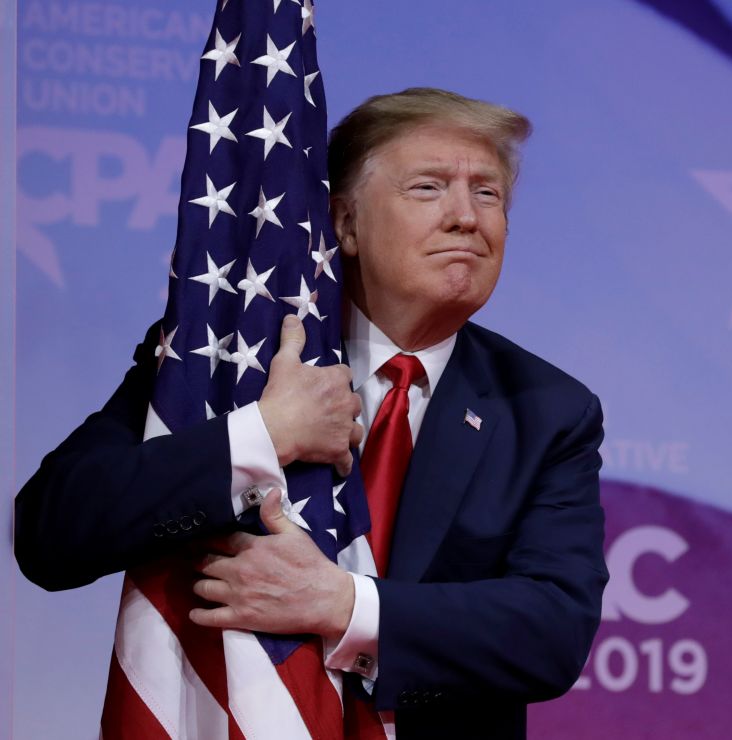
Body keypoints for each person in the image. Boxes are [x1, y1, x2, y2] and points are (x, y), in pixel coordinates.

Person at [15, 87, 608, 740]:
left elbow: (552, 629)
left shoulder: (547, 410)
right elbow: (51, 531)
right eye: (429, 188)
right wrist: (259, 435)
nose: (467, 217)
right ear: (345, 224)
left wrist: (342, 606)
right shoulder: (226, 359)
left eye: (488, 193)